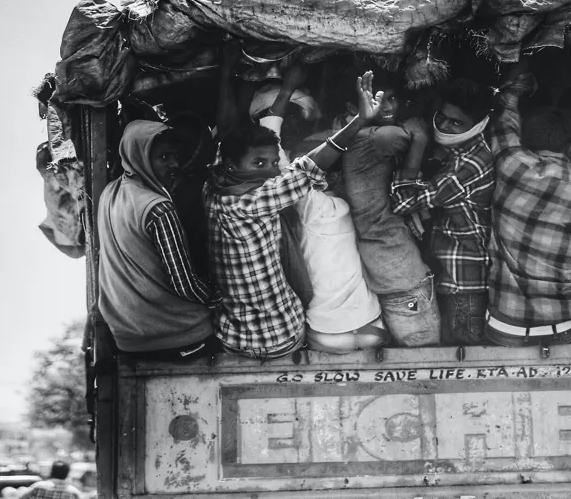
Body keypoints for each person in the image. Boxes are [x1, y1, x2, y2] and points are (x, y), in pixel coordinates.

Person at [205, 45, 385, 360]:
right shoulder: (275, 199)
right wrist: (357, 122)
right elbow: (303, 169)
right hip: (353, 325)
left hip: (299, 332)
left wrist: (242, 79)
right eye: (262, 164)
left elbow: (235, 144)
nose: (274, 170)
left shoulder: (215, 188)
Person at [486, 64, 571, 346]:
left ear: (525, 143)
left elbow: (505, 120)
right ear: (569, 146)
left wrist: (516, 89)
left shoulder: (512, 165)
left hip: (506, 323)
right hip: (561, 324)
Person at [97, 120, 221, 361]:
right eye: (163, 157)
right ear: (140, 157)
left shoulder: (110, 193)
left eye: (175, 156)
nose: (174, 164)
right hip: (177, 336)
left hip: (127, 337)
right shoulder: (158, 209)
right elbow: (185, 285)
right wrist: (217, 297)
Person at [391, 79, 495, 345]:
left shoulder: (469, 163)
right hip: (453, 272)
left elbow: (402, 204)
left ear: (479, 123)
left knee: (462, 356)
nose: (445, 126)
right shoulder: (462, 148)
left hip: (463, 280)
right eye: (442, 117)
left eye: (456, 123)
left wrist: (419, 141)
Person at [342, 70, 441, 347]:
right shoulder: (377, 137)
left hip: (383, 266)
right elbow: (414, 133)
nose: (387, 106)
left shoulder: (350, 136)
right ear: (353, 108)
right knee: (424, 360)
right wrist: (420, 139)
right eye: (377, 99)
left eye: (393, 99)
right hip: (400, 270)